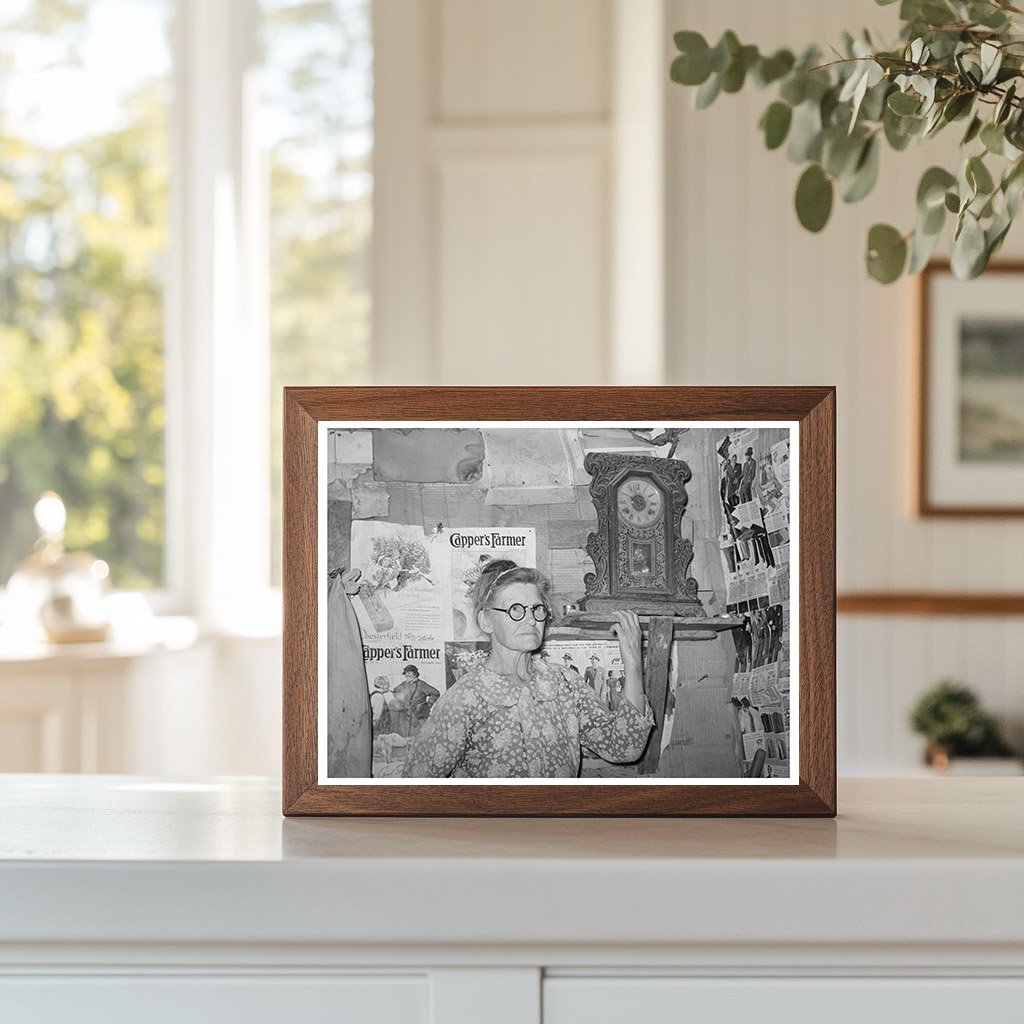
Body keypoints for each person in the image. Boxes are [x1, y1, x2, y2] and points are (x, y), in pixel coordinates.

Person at [402, 559, 654, 778]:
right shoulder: (465, 698)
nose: (531, 619)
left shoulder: (564, 683)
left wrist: (632, 662)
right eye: (516, 610)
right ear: (486, 621)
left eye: (537, 609)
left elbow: (625, 747)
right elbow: (413, 788)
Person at [388, 664, 440, 738]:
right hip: (406, 717)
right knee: (405, 739)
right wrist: (401, 700)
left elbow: (435, 693)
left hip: (419, 716)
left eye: (409, 673)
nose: (407, 675)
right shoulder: (404, 684)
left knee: (419, 738)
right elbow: (395, 692)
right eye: (406, 673)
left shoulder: (422, 684)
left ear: (415, 674)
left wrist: (428, 705)